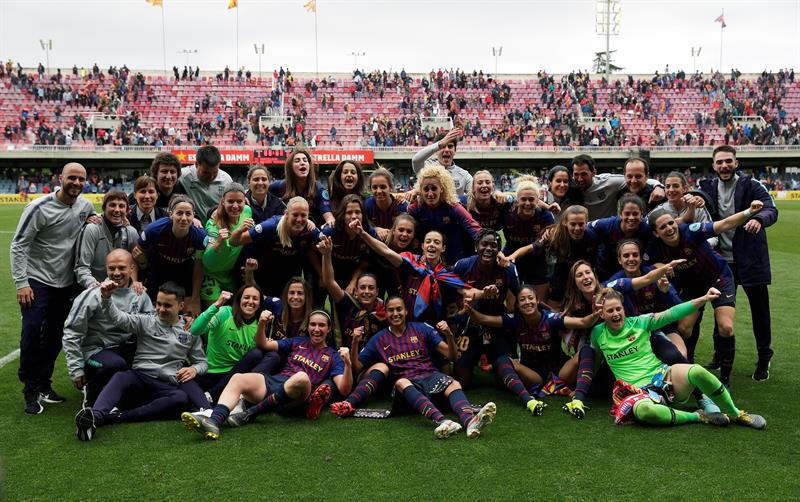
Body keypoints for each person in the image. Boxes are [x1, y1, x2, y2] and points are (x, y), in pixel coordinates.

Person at [562, 287, 766, 430]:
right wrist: (580, 390)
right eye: (610, 311)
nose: (616, 314)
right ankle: (698, 417)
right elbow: (593, 361)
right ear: (602, 314)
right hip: (637, 391)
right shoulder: (598, 333)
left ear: (624, 309)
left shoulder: (640, 322)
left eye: (618, 309)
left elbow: (671, 313)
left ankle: (736, 414)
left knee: (695, 370)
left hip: (663, 377)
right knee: (645, 412)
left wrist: (703, 299)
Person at [330, 296, 497, 439]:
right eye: (391, 310)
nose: (395, 314)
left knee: (454, 383)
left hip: (430, 375)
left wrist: (449, 335)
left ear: (406, 311)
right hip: (407, 388)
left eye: (399, 309)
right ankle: (442, 420)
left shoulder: (421, 328)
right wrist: (354, 343)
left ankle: (470, 422)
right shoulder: (379, 339)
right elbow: (358, 366)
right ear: (386, 313)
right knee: (401, 382)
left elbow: (453, 356)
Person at [646, 199, 766, 386]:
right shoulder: (654, 248)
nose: (669, 228)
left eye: (671, 223)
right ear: (655, 233)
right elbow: (646, 264)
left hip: (719, 278)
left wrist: (749, 211)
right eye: (663, 227)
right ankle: (689, 368)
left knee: (725, 327)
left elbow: (724, 224)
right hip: (692, 287)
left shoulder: (690, 231)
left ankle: (725, 379)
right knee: (684, 328)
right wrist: (660, 266)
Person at [181, 310, 351, 440]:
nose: (316, 329)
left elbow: (344, 388)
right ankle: (214, 421)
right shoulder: (298, 341)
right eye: (313, 324)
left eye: (321, 326)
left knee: (301, 377)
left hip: (298, 396)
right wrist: (262, 323)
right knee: (238, 378)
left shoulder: (332, 355)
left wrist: (348, 364)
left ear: (328, 329)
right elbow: (263, 344)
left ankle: (250, 413)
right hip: (276, 382)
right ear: (308, 327)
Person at [74, 282, 209, 441]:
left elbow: (202, 362)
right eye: (158, 304)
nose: (161, 309)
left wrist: (194, 369)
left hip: (165, 386)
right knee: (121, 377)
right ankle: (94, 418)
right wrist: (106, 298)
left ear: (180, 306)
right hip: (139, 379)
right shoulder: (146, 321)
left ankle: (115, 418)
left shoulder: (191, 330)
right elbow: (118, 318)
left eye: (167, 305)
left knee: (180, 397)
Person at [11, 162, 95, 414]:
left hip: (66, 283)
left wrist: (93, 221)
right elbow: (18, 245)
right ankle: (30, 388)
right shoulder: (38, 207)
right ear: (61, 179)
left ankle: (44, 385)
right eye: (72, 178)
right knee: (32, 330)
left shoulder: (85, 206)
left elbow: (87, 228)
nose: (76, 183)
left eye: (81, 179)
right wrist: (21, 283)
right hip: (38, 281)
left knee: (56, 335)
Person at [699, 145, 778, 381]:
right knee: (720, 309)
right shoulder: (707, 187)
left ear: (736, 163)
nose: (724, 166)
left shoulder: (752, 185)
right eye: (719, 162)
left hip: (750, 260)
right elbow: (688, 194)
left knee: (760, 312)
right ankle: (719, 354)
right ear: (713, 165)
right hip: (722, 261)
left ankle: (764, 358)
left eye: (728, 161)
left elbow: (771, 209)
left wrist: (760, 220)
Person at [465, 284, 598, 414]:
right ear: (517, 305)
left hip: (561, 371)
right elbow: (483, 319)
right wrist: (469, 308)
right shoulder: (515, 320)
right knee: (501, 361)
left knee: (587, 351)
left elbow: (583, 322)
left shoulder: (551, 319)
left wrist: (597, 312)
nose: (527, 302)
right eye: (522, 299)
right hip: (534, 375)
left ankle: (578, 400)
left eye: (530, 298)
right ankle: (529, 401)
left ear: (537, 300)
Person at [63, 249, 153, 406]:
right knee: (116, 364)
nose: (116, 273)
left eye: (122, 268)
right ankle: (92, 391)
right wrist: (76, 369)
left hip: (124, 348)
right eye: (111, 268)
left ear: (132, 268)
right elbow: (71, 332)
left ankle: (123, 394)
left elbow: (152, 325)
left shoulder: (140, 294)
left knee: (151, 360)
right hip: (96, 351)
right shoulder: (91, 295)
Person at [451, 229, 521, 387]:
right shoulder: (463, 265)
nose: (489, 248)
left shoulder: (508, 269)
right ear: (476, 246)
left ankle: (496, 357)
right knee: (463, 381)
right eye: (484, 244)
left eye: (494, 245)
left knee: (504, 379)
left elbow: (521, 295)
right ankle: (474, 357)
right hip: (469, 325)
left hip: (496, 323)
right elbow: (448, 286)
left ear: (499, 250)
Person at [189, 286, 280, 402]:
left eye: (255, 299)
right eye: (246, 297)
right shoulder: (225, 312)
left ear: (260, 304)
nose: (250, 302)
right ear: (239, 300)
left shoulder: (260, 323)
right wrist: (217, 304)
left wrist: (266, 340)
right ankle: (218, 395)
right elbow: (195, 330)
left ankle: (225, 396)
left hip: (237, 376)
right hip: (213, 373)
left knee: (271, 356)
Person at [230, 196, 322, 298]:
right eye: (295, 215)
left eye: (303, 215)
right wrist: (239, 230)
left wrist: (322, 275)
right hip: (261, 272)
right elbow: (234, 242)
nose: (299, 219)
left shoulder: (310, 231)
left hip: (286, 274)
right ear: (286, 214)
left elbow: (317, 249)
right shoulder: (270, 227)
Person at [134, 195, 208, 316]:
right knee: (154, 316)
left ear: (193, 215)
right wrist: (135, 281)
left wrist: (195, 298)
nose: (184, 218)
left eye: (188, 214)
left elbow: (198, 268)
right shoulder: (154, 230)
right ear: (170, 214)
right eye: (179, 213)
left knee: (190, 317)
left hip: (184, 277)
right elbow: (135, 253)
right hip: (157, 276)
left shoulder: (199, 236)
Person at [318, 234, 386, 353]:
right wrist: (326, 255)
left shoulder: (384, 312)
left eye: (371, 288)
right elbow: (329, 282)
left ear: (377, 292)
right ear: (356, 290)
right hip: (343, 355)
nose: (366, 292)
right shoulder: (347, 303)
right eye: (362, 288)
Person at [407, 164, 482, 264]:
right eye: (426, 189)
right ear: (420, 190)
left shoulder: (453, 206)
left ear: (442, 189)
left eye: (434, 188)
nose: (430, 194)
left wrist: (488, 242)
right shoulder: (415, 209)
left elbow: (473, 226)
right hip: (427, 261)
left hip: (454, 261)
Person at [74, 190, 140, 290]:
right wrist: (95, 286)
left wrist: (132, 284)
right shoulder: (92, 230)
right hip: (94, 289)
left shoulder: (131, 232)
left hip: (121, 291)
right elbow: (82, 268)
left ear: (127, 210)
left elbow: (134, 265)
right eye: (112, 205)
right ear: (104, 208)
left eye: (121, 206)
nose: (117, 210)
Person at [501, 176, 553, 299]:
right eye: (523, 199)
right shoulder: (507, 210)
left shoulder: (546, 217)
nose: (527, 203)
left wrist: (513, 256)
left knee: (539, 303)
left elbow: (535, 246)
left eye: (531, 199)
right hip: (511, 254)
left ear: (537, 200)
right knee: (513, 306)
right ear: (517, 200)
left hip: (536, 258)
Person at [569, 154, 664, 220]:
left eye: (584, 174)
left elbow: (635, 179)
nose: (580, 178)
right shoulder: (568, 186)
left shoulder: (610, 182)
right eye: (576, 174)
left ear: (594, 172)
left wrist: (658, 186)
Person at [200, 183, 251, 306]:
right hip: (211, 275)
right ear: (223, 202)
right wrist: (218, 243)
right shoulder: (213, 225)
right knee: (214, 317)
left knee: (233, 313)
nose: (235, 206)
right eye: (230, 201)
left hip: (230, 274)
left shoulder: (247, 212)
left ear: (245, 201)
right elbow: (207, 260)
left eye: (239, 201)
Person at [588, 194, 653, 281]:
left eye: (635, 214)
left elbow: (663, 223)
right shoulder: (607, 224)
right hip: (605, 270)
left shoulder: (647, 227)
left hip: (634, 269)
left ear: (641, 215)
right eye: (627, 213)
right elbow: (586, 227)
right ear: (620, 214)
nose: (631, 217)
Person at [269, 147, 334, 227]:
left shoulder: (319, 189)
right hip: (288, 230)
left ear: (309, 166)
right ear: (291, 167)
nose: (302, 163)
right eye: (297, 161)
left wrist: (330, 222)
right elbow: (261, 191)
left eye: (305, 160)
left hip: (312, 233)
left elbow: (328, 216)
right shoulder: (280, 186)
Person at [179, 145, 233, 223]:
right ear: (196, 164)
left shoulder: (226, 180)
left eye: (215, 172)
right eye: (206, 173)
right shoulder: (184, 176)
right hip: (194, 228)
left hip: (218, 228)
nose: (211, 176)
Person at [412, 127, 472, 196]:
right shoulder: (427, 168)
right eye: (442, 147)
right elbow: (415, 161)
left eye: (450, 146)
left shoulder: (464, 175)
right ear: (436, 151)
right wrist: (439, 144)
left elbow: (474, 196)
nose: (446, 150)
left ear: (455, 151)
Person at [364, 167, 408, 239]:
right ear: (370, 189)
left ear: (390, 187)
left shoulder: (401, 206)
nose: (379, 191)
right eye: (375, 187)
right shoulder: (367, 205)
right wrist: (375, 229)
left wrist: (390, 232)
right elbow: (363, 224)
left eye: (383, 187)